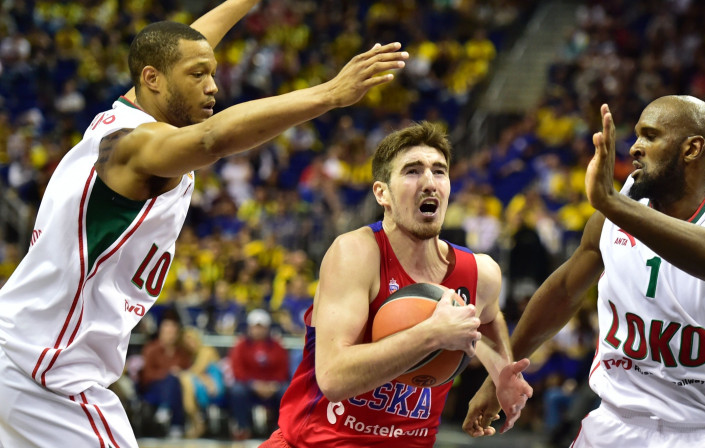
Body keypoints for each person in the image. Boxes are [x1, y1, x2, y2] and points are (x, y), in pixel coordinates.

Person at [0, 0, 409, 445]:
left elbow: (185, 44)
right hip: (43, 371)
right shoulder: (136, 146)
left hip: (21, 350)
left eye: (211, 73)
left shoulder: (130, 108)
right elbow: (214, 138)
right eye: (199, 76)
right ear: (152, 79)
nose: (212, 86)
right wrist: (329, 94)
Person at [464, 96, 705, 447]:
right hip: (612, 424)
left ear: (692, 148)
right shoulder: (618, 212)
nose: (635, 148)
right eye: (636, 136)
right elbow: (563, 293)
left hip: (703, 434)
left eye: (650, 136)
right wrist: (500, 375)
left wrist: (611, 202)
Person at [261, 122, 533, 448]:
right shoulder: (356, 254)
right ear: (382, 194)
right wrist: (430, 335)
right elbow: (333, 378)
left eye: (439, 171)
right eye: (413, 172)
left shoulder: (482, 273)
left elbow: (489, 317)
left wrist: (498, 374)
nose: (429, 182)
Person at [228, 309, 290, 440]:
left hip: (273, 386)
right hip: (249, 386)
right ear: (249, 327)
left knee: (286, 391)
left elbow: (283, 370)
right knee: (237, 390)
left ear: (267, 328)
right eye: (255, 327)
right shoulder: (241, 346)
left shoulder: (277, 346)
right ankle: (243, 427)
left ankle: (280, 430)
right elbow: (237, 370)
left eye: (261, 327)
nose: (258, 330)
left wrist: (273, 385)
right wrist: (253, 384)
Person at [137, 315, 193, 437]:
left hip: (177, 388)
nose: (171, 335)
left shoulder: (181, 352)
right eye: (168, 332)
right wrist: (167, 373)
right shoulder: (151, 349)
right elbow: (146, 375)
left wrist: (178, 374)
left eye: (173, 332)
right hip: (153, 387)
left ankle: (166, 410)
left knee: (176, 384)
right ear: (161, 332)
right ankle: (176, 424)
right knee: (171, 380)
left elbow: (189, 370)